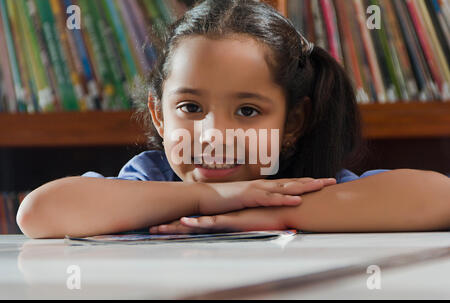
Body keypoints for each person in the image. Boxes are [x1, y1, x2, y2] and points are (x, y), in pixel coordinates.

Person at [17, 0, 450, 239]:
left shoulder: (301, 183)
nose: (213, 135)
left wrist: (281, 214)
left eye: (247, 111)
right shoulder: (150, 180)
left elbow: (440, 197)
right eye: (190, 108)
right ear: (159, 115)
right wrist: (208, 199)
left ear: (294, 121)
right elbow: (39, 213)